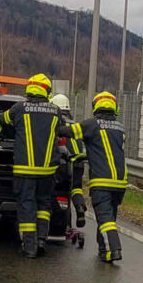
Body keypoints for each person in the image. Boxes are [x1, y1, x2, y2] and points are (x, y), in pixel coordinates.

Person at [0, 73, 62, 257]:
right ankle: (41, 240)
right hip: (47, 171)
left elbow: (1, 122)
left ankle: (29, 247)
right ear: (46, 90)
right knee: (43, 205)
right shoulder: (55, 111)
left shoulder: (19, 108)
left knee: (27, 205)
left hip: (24, 170)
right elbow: (61, 130)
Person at [69, 91, 130, 262]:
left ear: (96, 106)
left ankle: (115, 250)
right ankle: (105, 251)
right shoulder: (120, 128)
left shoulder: (91, 125)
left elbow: (70, 132)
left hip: (101, 181)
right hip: (119, 182)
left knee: (105, 219)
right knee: (110, 217)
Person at [50, 93, 88, 232]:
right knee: (76, 188)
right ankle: (79, 207)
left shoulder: (56, 123)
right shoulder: (75, 124)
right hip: (78, 162)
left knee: (60, 189)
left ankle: (59, 219)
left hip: (63, 163)